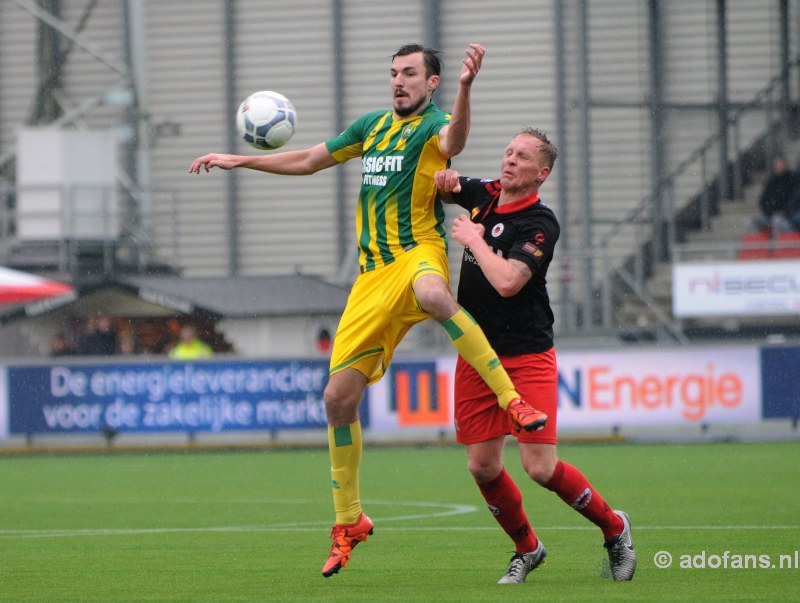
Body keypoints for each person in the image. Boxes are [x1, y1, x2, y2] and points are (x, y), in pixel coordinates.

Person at [189, 43, 548, 578]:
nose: (398, 81)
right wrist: (240, 159)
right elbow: (310, 160)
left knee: (432, 295)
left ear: (431, 83)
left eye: (409, 74)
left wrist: (467, 87)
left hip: (417, 252)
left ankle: (512, 400)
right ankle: (348, 520)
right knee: (336, 399)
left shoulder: (435, 125)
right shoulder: (371, 127)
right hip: (371, 276)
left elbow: (456, 140)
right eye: (394, 73)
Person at [435, 127, 636, 583]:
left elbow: (508, 282)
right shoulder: (485, 195)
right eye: (508, 152)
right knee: (481, 465)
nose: (510, 160)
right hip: (478, 354)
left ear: (541, 173)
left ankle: (615, 528)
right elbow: (446, 182)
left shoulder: (540, 223)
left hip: (527, 356)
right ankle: (527, 549)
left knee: (539, 469)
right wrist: (443, 180)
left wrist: (475, 240)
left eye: (522, 157)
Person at [750, 154, 798, 234]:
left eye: (781, 164)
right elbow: (763, 200)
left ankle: (783, 244)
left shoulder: (793, 179)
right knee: (752, 222)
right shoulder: (772, 181)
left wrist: (785, 212)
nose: (779, 167)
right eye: (777, 164)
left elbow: (794, 200)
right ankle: (758, 245)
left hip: (787, 215)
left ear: (786, 164)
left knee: (778, 221)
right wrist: (770, 213)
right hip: (771, 215)